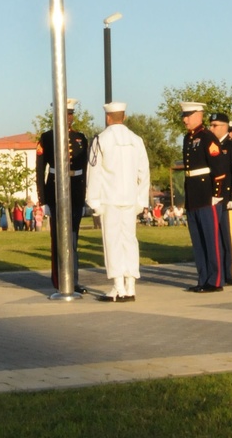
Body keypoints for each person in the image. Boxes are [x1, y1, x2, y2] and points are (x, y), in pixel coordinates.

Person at [86, 102, 151, 302]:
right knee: (130, 241)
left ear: (107, 118)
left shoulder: (101, 140)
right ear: (124, 116)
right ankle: (131, 286)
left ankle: (118, 287)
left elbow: (94, 172)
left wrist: (93, 201)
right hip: (131, 198)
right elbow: (144, 171)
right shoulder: (136, 140)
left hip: (110, 199)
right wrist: (141, 199)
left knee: (112, 241)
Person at [35, 98, 89, 291]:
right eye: (64, 113)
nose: (68, 117)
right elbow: (40, 170)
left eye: (70, 113)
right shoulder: (47, 138)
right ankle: (59, 281)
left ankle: (73, 280)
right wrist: (43, 200)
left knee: (73, 239)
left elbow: (85, 171)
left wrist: (84, 199)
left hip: (75, 191)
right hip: (55, 190)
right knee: (58, 239)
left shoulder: (81, 138)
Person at [180, 102, 226, 293]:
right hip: (194, 195)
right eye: (184, 115)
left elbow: (219, 169)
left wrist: (216, 194)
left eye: (189, 115)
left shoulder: (208, 137)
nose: (185, 119)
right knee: (198, 240)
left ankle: (215, 281)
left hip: (207, 195)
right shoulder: (188, 139)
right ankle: (203, 278)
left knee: (211, 239)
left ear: (199, 114)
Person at [209, 112, 232, 284]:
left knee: (229, 237)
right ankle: (221, 273)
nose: (211, 128)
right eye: (211, 125)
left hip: (229, 199)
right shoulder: (211, 145)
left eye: (215, 125)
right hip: (215, 199)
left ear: (225, 126)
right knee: (218, 238)